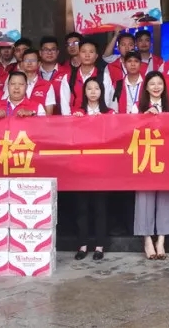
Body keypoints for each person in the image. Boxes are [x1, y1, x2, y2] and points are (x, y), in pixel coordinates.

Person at [134, 72, 169, 260]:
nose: (156, 87)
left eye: (160, 83)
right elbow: (128, 131)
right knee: (144, 198)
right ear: (146, 87)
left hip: (166, 158)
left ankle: (161, 240)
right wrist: (143, 118)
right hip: (144, 158)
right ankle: (147, 240)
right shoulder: (137, 106)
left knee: (165, 198)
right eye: (152, 83)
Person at [74, 79, 109, 261]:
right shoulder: (77, 113)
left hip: (102, 168)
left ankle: (99, 245)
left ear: (102, 91)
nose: (93, 91)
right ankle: (82, 245)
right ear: (84, 92)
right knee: (82, 208)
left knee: (100, 208)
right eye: (89, 88)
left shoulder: (109, 114)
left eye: (97, 88)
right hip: (81, 168)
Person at [59, 42, 112, 115]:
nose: (87, 55)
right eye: (83, 52)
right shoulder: (68, 77)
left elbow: (106, 101)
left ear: (96, 56)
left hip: (97, 117)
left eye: (91, 52)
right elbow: (64, 104)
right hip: (75, 118)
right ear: (79, 54)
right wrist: (69, 120)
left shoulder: (104, 76)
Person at [16, 49, 57, 115]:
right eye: (26, 60)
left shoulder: (47, 85)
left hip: (38, 121)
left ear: (39, 63)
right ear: (22, 64)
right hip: (17, 120)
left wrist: (32, 114)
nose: (29, 63)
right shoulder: (14, 83)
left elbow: (49, 114)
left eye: (33, 60)